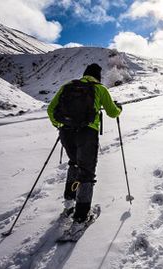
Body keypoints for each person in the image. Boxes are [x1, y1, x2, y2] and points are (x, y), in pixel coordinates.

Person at [47, 63, 122, 225]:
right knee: (86, 172)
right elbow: (112, 112)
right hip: (87, 134)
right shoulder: (100, 89)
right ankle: (81, 217)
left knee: (74, 164)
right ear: (98, 76)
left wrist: (59, 125)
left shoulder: (68, 86)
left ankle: (69, 202)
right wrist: (119, 108)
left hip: (66, 132)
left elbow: (51, 109)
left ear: (84, 74)